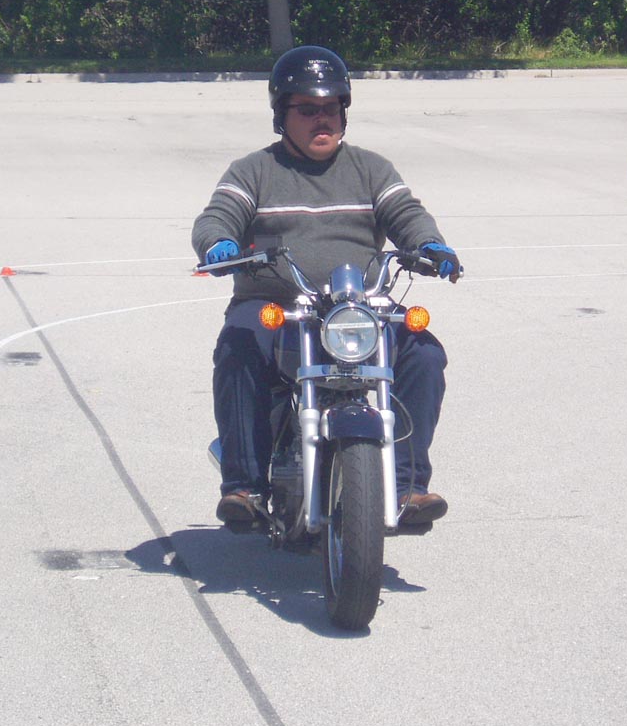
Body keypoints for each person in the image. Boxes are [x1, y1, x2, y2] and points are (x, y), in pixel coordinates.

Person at [191, 45, 460, 527]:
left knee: (424, 353)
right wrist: (219, 244)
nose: (322, 120)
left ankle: (406, 488)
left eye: (331, 109)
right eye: (308, 109)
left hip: (358, 307)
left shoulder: (370, 169)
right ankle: (245, 487)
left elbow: (406, 214)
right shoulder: (254, 171)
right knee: (238, 344)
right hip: (278, 305)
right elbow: (218, 216)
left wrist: (430, 244)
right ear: (282, 115)